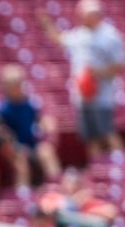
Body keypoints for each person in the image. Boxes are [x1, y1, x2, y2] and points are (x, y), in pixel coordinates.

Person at [38, 0, 125, 159]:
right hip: (83, 95)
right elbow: (60, 40)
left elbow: (119, 65)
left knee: (107, 132)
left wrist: (96, 73)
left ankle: (120, 167)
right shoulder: (79, 35)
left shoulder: (110, 35)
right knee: (90, 137)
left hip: (102, 94)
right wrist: (46, 24)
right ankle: (97, 171)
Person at [0, 64, 63, 186]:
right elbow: (3, 134)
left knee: (46, 152)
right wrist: (16, 146)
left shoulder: (30, 104)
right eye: (14, 85)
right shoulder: (2, 109)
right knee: (21, 162)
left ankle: (55, 188)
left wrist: (46, 124)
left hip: (32, 144)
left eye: (19, 84)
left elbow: (40, 120)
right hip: (14, 148)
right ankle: (23, 196)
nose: (19, 87)